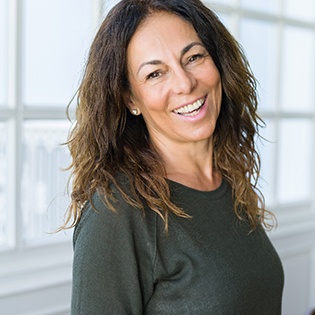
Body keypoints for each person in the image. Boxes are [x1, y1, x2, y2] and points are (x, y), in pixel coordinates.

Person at [65, 0, 284, 313]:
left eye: (193, 57)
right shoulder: (118, 211)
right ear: (129, 99)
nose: (185, 83)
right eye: (155, 74)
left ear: (218, 61)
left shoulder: (228, 180)